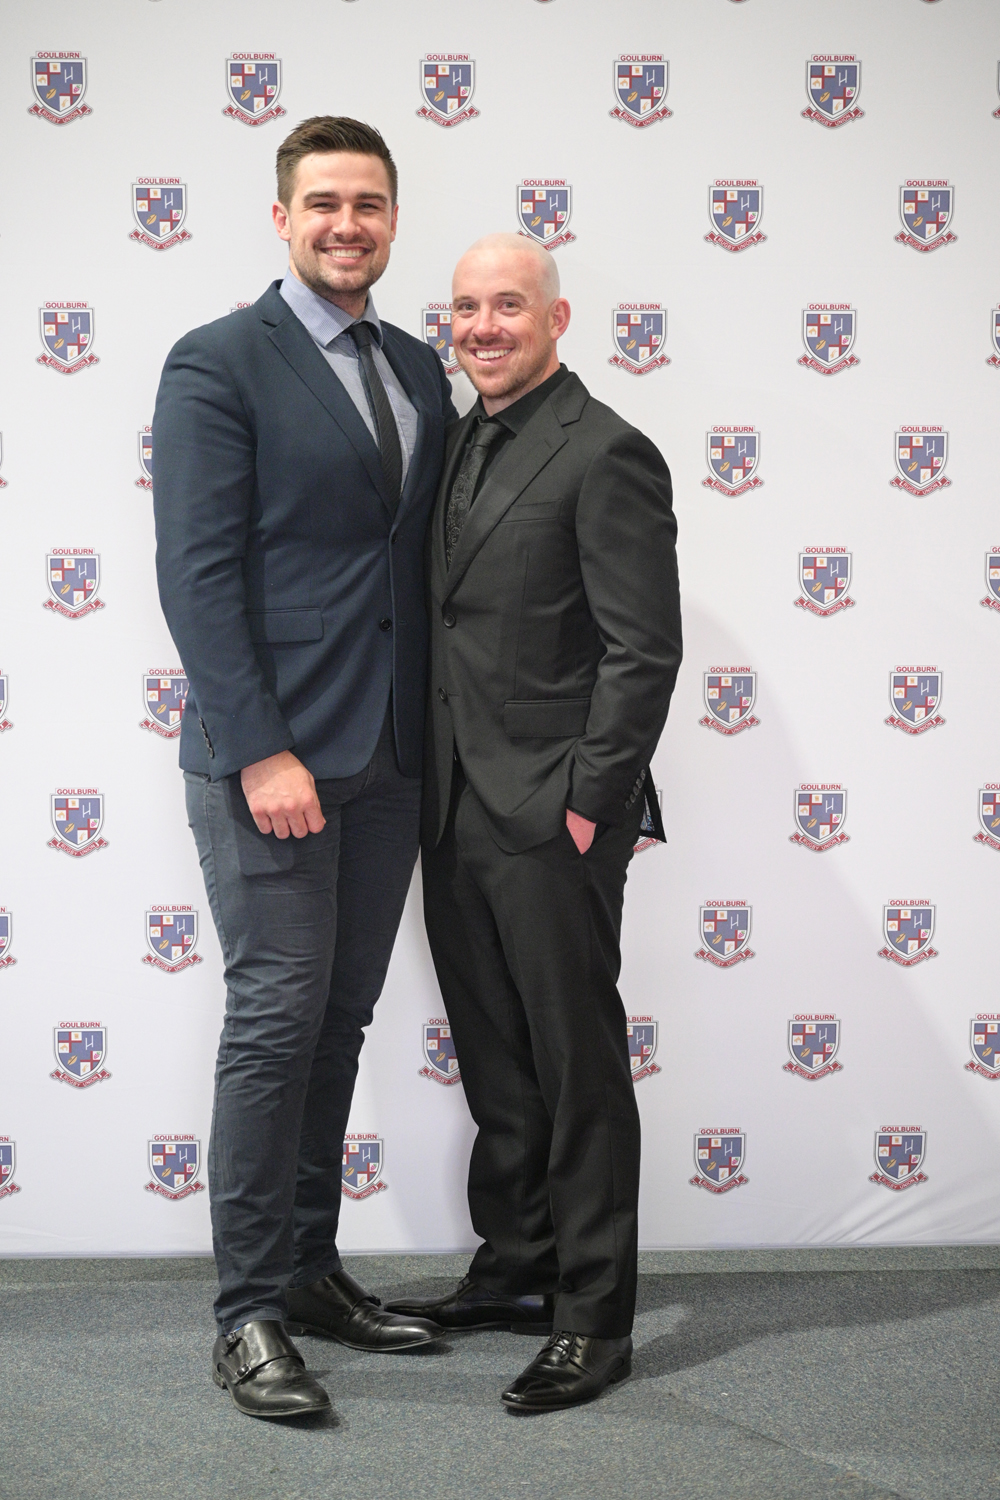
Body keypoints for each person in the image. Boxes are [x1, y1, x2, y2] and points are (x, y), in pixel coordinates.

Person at [152, 116, 457, 1420]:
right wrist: (262, 746)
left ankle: (311, 1270)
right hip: (272, 758)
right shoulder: (218, 360)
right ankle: (248, 1315)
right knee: (277, 1017)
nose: (347, 224)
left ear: (392, 221)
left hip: (390, 757)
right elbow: (196, 573)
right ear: (282, 218)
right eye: (324, 203)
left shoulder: (417, 365)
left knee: (337, 1019)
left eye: (368, 204)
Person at [386, 234, 682, 1411]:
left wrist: (589, 804)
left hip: (553, 815)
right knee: (497, 1059)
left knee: (575, 1065)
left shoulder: (606, 450)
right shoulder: (454, 440)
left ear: (556, 319)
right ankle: (517, 1265)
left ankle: (593, 1316)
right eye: (465, 308)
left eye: (507, 305)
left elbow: (642, 649)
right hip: (451, 805)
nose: (482, 327)